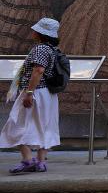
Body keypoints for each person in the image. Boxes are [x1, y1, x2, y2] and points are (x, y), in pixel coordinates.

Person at [0, 18, 62, 174]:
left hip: (36, 92)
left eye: (36, 29)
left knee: (17, 124)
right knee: (45, 125)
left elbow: (38, 70)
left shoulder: (40, 49)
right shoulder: (52, 49)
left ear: (41, 33)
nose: (32, 31)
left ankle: (28, 160)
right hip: (47, 93)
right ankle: (40, 162)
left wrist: (29, 93)